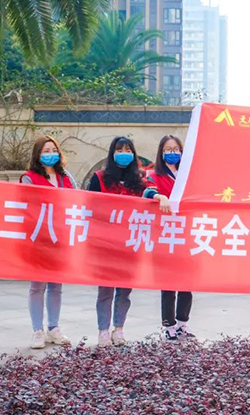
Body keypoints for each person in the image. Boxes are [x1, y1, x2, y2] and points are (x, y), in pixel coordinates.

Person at [87, 136, 145, 347]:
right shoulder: (99, 178)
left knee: (124, 291)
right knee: (105, 290)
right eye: (119, 150)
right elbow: (90, 208)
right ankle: (103, 330)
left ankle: (119, 329)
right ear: (112, 153)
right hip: (106, 245)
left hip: (130, 245)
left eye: (128, 150)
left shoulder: (138, 182)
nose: (123, 154)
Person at [20, 136, 76, 349]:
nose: (50, 154)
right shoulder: (29, 178)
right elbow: (26, 205)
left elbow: (76, 200)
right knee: (37, 286)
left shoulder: (65, 177)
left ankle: (53, 328)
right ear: (37, 155)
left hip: (59, 238)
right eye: (45, 151)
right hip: (38, 239)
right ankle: (38, 330)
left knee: (56, 285)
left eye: (54, 150)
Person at [144, 135, 195, 341]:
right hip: (165, 235)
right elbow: (147, 191)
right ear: (161, 152)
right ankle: (169, 326)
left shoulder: (188, 174)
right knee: (168, 283)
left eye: (176, 149)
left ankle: (183, 323)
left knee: (187, 283)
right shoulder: (154, 175)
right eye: (168, 149)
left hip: (187, 233)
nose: (172, 153)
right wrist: (161, 197)